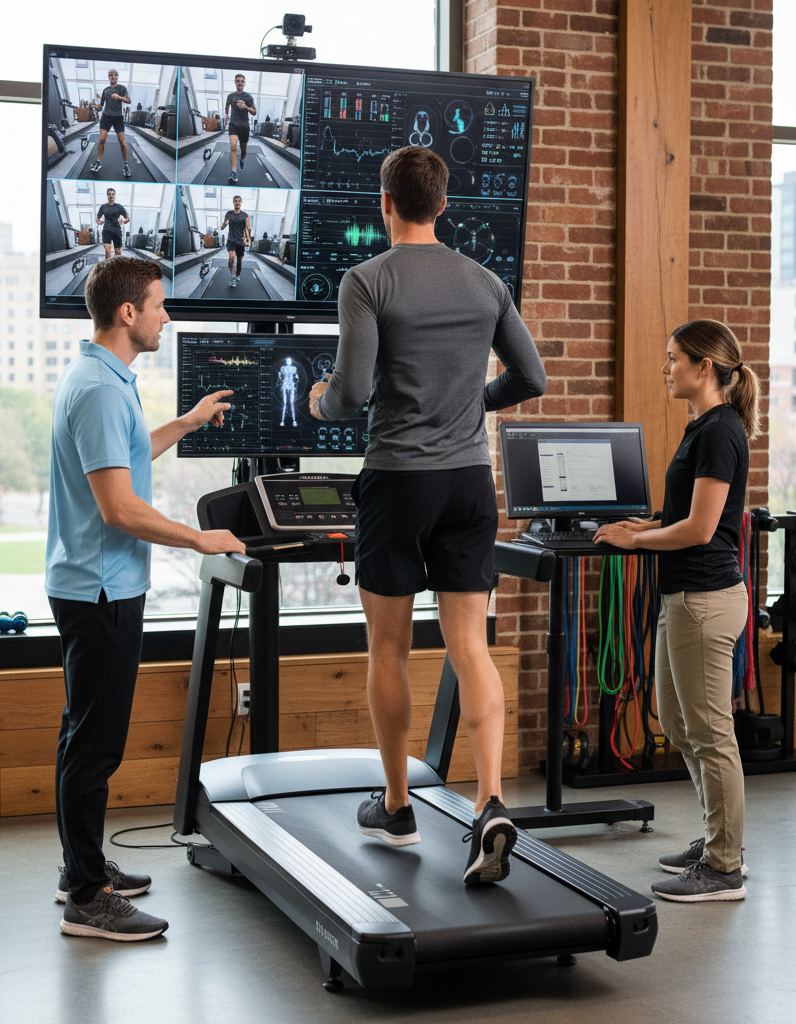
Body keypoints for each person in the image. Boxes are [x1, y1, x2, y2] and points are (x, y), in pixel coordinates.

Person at [308, 146, 546, 885]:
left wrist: (321, 401)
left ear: (387, 203)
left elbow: (348, 393)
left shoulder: (367, 280)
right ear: (443, 205)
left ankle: (397, 804)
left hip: (398, 480)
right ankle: (493, 801)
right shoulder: (484, 282)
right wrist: (475, 401)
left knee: (388, 648)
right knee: (469, 645)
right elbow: (530, 378)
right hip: (471, 481)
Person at [46, 257, 245, 940]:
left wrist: (184, 424)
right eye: (160, 305)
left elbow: (125, 459)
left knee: (83, 734)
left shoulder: (104, 378)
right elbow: (120, 509)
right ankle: (86, 898)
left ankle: (85, 867)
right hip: (101, 587)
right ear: (127, 313)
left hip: (97, 583)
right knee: (95, 747)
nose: (167, 316)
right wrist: (198, 539)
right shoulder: (100, 390)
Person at [592, 319, 761, 903]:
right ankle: (718, 836)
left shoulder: (719, 432)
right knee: (679, 722)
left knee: (711, 734)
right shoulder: (702, 427)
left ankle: (724, 866)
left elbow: (702, 528)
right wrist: (647, 525)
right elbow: (682, 516)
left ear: (704, 368)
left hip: (704, 601)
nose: (665, 369)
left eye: (672, 360)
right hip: (683, 597)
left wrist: (638, 541)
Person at [90, 68, 132, 178]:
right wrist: (97, 107)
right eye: (111, 75)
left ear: (117, 77)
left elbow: (129, 100)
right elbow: (101, 106)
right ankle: (98, 161)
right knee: (102, 140)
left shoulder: (122, 88)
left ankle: (126, 164)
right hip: (106, 117)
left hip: (118, 117)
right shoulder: (105, 90)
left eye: (115, 75)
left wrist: (119, 97)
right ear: (109, 77)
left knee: (122, 142)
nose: (113, 76)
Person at [225, 74, 256, 182]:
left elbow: (254, 112)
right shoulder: (231, 96)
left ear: (244, 83)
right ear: (235, 82)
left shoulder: (248, 97)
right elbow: (227, 107)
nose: (240, 83)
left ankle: (242, 159)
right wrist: (227, 116)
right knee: (233, 147)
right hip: (233, 125)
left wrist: (246, 107)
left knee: (243, 150)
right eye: (238, 81)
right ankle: (233, 172)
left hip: (244, 126)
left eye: (242, 81)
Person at [220, 195, 251, 288]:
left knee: (239, 262)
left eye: (239, 201)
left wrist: (248, 239)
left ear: (241, 203)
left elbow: (248, 228)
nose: (237, 202)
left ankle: (237, 275)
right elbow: (222, 227)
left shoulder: (245, 215)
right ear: (233, 202)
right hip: (231, 240)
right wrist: (225, 223)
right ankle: (233, 276)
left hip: (241, 241)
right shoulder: (229, 214)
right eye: (235, 201)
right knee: (231, 258)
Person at [96, 188, 129, 259]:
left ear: (115, 195)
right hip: (106, 231)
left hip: (117, 231)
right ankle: (108, 269)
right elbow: (98, 218)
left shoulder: (119, 207)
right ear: (107, 195)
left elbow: (127, 218)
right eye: (109, 194)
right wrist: (99, 222)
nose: (111, 196)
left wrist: (123, 221)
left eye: (112, 194)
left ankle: (117, 269)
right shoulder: (103, 207)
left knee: (118, 254)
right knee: (108, 254)